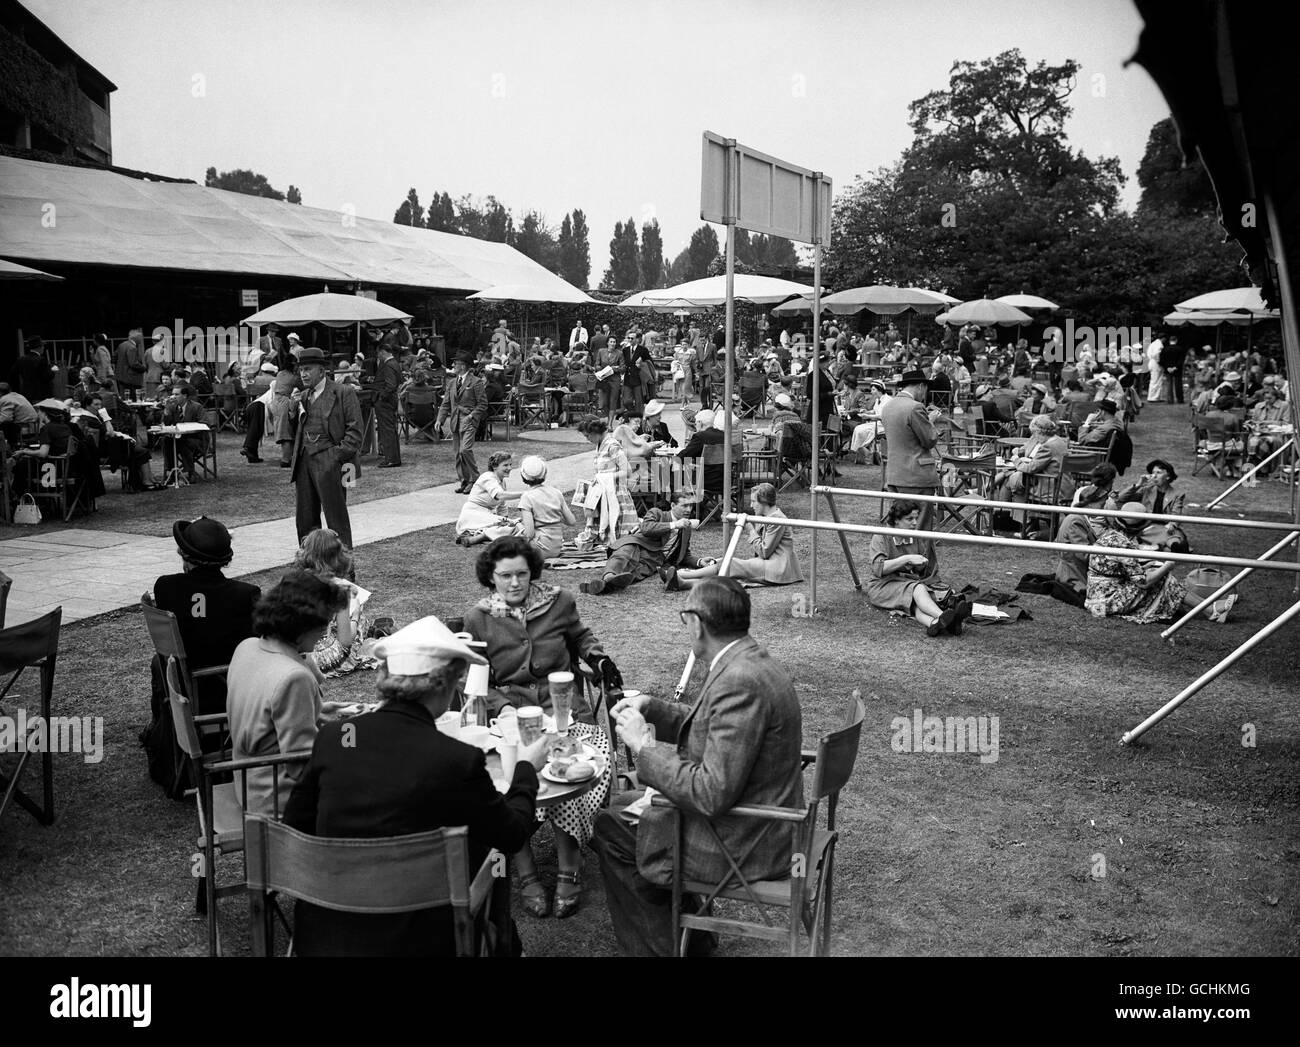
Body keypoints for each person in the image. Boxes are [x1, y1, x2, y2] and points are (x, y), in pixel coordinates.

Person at [282, 616, 545, 956]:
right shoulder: (457, 758)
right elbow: (511, 834)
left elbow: (296, 828)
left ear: (385, 679)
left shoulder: (337, 738)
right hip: (423, 941)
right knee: (484, 850)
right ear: (443, 686)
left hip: (325, 934)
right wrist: (525, 769)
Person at [594, 578, 804, 956]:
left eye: (683, 618)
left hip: (745, 840)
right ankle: (691, 937)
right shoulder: (747, 659)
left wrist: (645, 746)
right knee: (623, 806)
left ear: (697, 623)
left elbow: (710, 794)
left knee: (611, 826)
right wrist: (653, 707)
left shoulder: (740, 681)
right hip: (763, 819)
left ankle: (668, 947)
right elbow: (712, 726)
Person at [463, 537, 621, 919]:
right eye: (505, 576)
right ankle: (527, 873)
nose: (515, 583)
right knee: (507, 784)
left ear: (532, 571)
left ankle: (569, 870)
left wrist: (597, 659)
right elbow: (474, 676)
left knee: (571, 780)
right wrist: (502, 709)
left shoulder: (559, 601)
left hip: (564, 709)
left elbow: (581, 637)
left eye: (521, 573)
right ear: (491, 577)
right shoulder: (478, 617)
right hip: (512, 715)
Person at [139, 517, 261, 793]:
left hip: (180, 688)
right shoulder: (246, 595)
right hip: (228, 690)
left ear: (185, 556)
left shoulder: (166, 587)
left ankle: (164, 730)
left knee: (158, 664)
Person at [226, 570, 348, 818]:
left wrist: (317, 710)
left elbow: (263, 716)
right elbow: (300, 765)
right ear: (302, 625)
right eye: (324, 624)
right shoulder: (294, 677)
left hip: (247, 780)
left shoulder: (247, 647)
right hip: (276, 795)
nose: (325, 633)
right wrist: (350, 747)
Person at [664, 482, 803, 592]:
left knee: (730, 564)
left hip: (778, 568)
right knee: (726, 568)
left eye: (754, 501)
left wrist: (750, 529)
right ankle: (683, 583)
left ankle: (682, 575)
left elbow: (764, 552)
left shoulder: (776, 519)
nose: (751, 505)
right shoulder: (768, 517)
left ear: (764, 502)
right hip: (772, 565)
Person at [290, 347, 364, 550]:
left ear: (321, 371)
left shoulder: (343, 392)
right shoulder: (302, 396)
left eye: (308, 369)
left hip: (331, 460)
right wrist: (292, 408)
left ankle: (344, 568)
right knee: (305, 519)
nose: (303, 374)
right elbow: (293, 430)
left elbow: (355, 431)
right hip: (304, 460)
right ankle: (310, 565)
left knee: (336, 518)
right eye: (301, 369)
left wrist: (335, 457)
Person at [865, 499, 970, 636]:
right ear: (896, 520)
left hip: (905, 583)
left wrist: (920, 566)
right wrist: (906, 559)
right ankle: (944, 616)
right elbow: (879, 568)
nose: (915, 523)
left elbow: (921, 572)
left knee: (914, 603)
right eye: (909, 519)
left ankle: (934, 624)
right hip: (881, 586)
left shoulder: (914, 537)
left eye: (916, 518)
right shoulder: (881, 536)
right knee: (917, 589)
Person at [1085, 503, 1196, 624]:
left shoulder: (1111, 535)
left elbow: (1125, 569)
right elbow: (1143, 583)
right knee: (1162, 578)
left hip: (1096, 598)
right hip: (1106, 602)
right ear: (1141, 528)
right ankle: (1208, 608)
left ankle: (1208, 607)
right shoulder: (1124, 544)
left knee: (1157, 572)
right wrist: (1168, 565)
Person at [581, 490, 709, 595]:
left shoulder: (686, 529)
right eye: (684, 505)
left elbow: (685, 555)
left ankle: (600, 586)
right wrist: (674, 525)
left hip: (654, 559)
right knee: (623, 556)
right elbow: (646, 528)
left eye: (690, 506)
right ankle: (609, 576)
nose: (688, 510)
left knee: (632, 575)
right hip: (638, 544)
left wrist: (699, 561)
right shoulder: (657, 513)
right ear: (673, 506)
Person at [294, 529, 378, 677]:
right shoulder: (339, 589)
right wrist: (356, 615)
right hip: (327, 658)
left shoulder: (293, 582)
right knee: (360, 621)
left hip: (296, 655)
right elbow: (345, 642)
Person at [880, 368, 942, 530]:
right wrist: (931, 421)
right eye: (926, 389)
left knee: (899, 527)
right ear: (921, 386)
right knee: (919, 529)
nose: (925, 393)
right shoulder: (915, 407)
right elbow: (930, 439)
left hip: (895, 474)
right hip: (916, 476)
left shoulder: (888, 407)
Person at [577, 416, 639, 548]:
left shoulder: (612, 445)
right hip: (604, 492)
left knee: (618, 524)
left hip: (616, 492)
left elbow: (626, 471)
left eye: (588, 436)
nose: (588, 439)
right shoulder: (600, 444)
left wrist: (605, 477)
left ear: (595, 431)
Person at [437, 351, 489, 494]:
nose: (453, 365)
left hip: (468, 420)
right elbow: (446, 403)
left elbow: (483, 404)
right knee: (458, 454)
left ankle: (475, 479)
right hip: (455, 421)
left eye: (456, 363)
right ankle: (464, 481)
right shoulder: (452, 382)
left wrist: (472, 416)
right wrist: (439, 419)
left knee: (465, 450)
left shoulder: (476, 382)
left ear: (464, 366)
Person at [456, 452, 523, 546]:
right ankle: (475, 537)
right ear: (495, 467)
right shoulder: (487, 477)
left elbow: (502, 506)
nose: (509, 468)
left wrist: (505, 519)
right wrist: (524, 494)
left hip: (486, 515)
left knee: (512, 526)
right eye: (505, 465)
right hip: (473, 515)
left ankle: (474, 537)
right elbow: (500, 495)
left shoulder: (502, 482)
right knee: (516, 527)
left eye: (510, 465)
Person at [517, 455, 575, 557]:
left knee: (508, 543)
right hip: (556, 547)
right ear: (544, 474)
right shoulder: (556, 492)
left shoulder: (527, 497)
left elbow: (529, 534)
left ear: (523, 475)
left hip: (539, 548)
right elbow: (571, 521)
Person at [374, 341, 403, 468]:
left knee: (387, 430)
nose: (378, 356)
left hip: (386, 402)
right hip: (390, 400)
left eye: (378, 354)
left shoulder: (388, 365)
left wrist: (381, 396)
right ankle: (393, 457)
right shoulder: (395, 363)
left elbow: (391, 385)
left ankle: (391, 459)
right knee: (390, 429)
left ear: (383, 352)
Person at [0, 382, 37, 447]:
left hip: (23, 429)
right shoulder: (18, 396)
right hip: (33, 427)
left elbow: (5, 418)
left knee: (4, 426)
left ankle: (7, 450)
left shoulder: (5, 399)